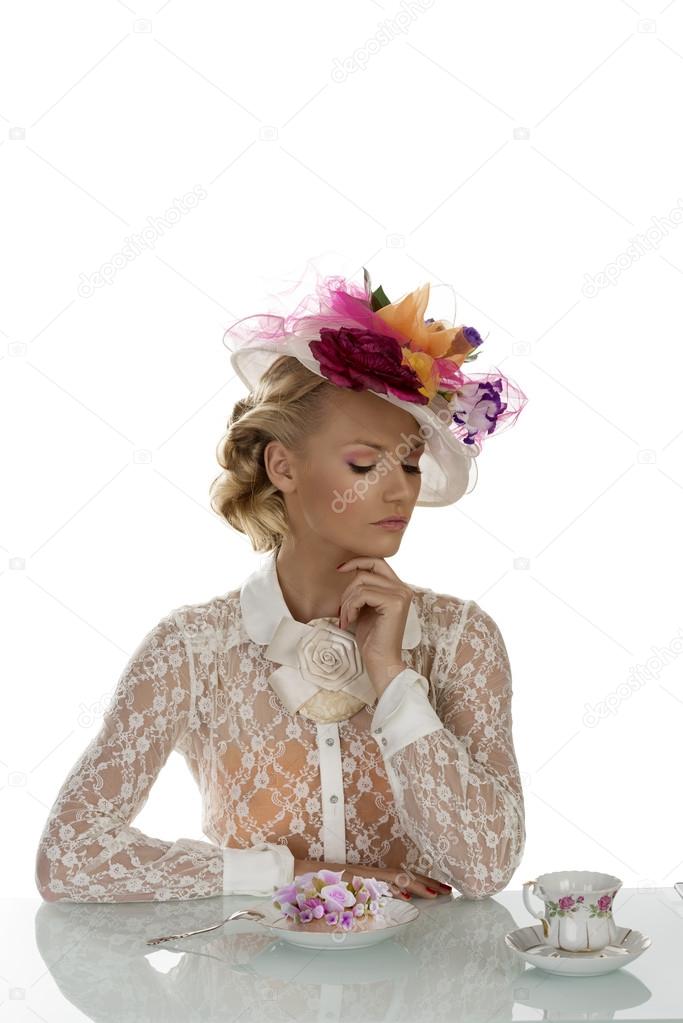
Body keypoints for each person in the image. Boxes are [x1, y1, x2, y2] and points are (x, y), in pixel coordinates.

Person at [35, 266, 528, 904]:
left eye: (408, 462)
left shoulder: (462, 639)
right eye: (364, 463)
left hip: (418, 996)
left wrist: (391, 675)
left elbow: (488, 870)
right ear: (282, 465)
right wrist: (292, 877)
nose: (399, 486)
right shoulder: (191, 648)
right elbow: (69, 858)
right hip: (248, 996)